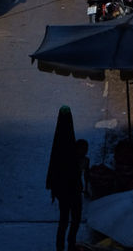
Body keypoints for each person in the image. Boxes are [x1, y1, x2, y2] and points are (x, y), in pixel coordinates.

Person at [46, 105, 85, 251]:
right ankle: (71, 244)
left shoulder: (58, 144)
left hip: (62, 189)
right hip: (72, 189)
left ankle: (61, 247)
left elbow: (53, 166)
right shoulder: (71, 144)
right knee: (74, 219)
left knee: (64, 220)